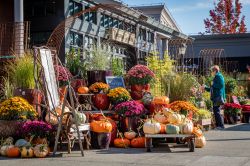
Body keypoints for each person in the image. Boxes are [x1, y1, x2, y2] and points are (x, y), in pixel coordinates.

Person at [203, 65, 226, 130]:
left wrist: (213, 84)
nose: (211, 73)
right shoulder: (217, 76)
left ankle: (221, 126)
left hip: (218, 96)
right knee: (216, 111)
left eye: (212, 71)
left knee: (217, 111)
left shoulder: (218, 76)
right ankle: (219, 125)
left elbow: (221, 85)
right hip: (216, 96)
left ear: (215, 71)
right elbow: (212, 88)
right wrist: (205, 87)